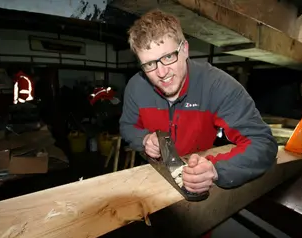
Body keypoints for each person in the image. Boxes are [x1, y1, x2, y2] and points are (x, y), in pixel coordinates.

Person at [119, 9, 278, 236]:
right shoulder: (136, 86)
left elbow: (264, 144)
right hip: (150, 186)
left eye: (168, 57)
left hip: (198, 183)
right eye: (149, 64)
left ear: (184, 49)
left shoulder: (218, 86)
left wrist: (215, 170)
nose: (161, 72)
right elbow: (126, 126)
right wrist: (143, 139)